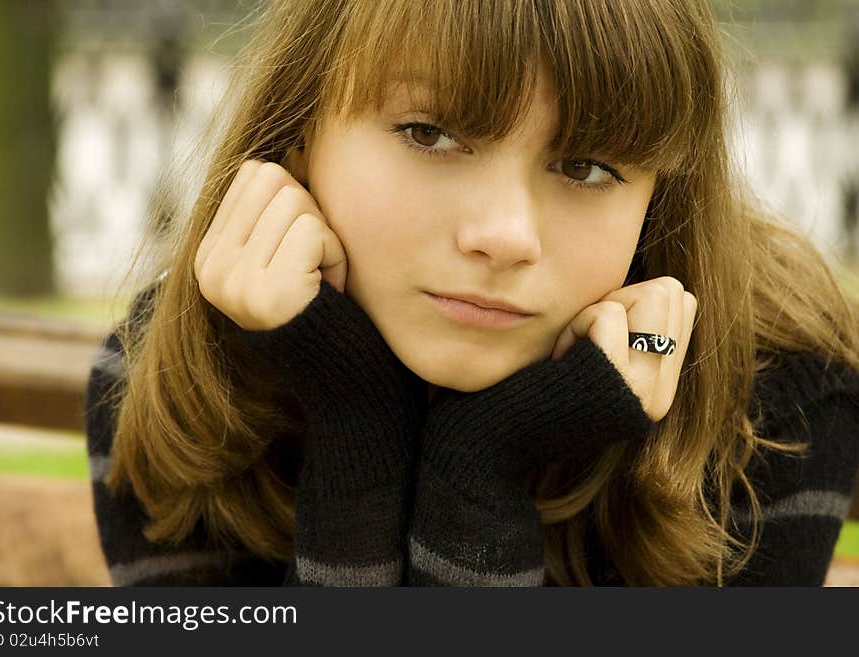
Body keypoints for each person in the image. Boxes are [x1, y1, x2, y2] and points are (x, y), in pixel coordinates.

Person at [85, 0, 859, 587]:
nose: (506, 233)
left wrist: (482, 471)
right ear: (298, 131)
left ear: (660, 202)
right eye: (430, 134)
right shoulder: (169, 380)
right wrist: (358, 426)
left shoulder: (774, 400)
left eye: (586, 167)